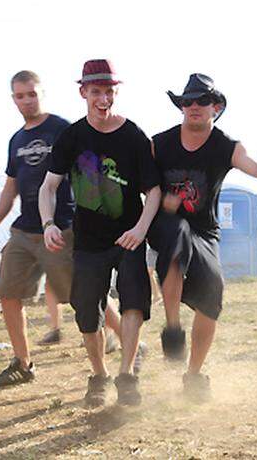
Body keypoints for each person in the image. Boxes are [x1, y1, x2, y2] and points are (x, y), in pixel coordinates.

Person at [0, 70, 119, 389]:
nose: (26, 100)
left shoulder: (62, 129)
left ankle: (128, 339)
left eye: (32, 94)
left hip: (63, 229)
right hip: (24, 230)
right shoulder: (16, 140)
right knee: (8, 295)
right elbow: (10, 187)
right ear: (13, 99)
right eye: (20, 95)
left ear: (42, 93)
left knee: (84, 298)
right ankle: (22, 364)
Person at [148, 73, 257, 402]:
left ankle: (193, 375)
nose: (193, 106)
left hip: (205, 231)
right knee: (177, 235)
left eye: (201, 101)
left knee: (213, 294)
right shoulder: (159, 143)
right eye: (187, 101)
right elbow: (142, 181)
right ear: (181, 106)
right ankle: (173, 328)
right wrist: (161, 199)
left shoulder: (226, 146)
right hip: (166, 224)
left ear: (215, 107)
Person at [39, 59, 161, 407]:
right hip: (89, 242)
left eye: (110, 91)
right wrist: (48, 224)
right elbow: (49, 187)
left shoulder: (134, 136)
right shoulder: (72, 137)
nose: (104, 98)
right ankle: (99, 375)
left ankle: (127, 376)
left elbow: (152, 190)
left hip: (128, 238)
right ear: (83, 93)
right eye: (96, 92)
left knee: (134, 300)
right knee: (85, 312)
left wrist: (140, 229)